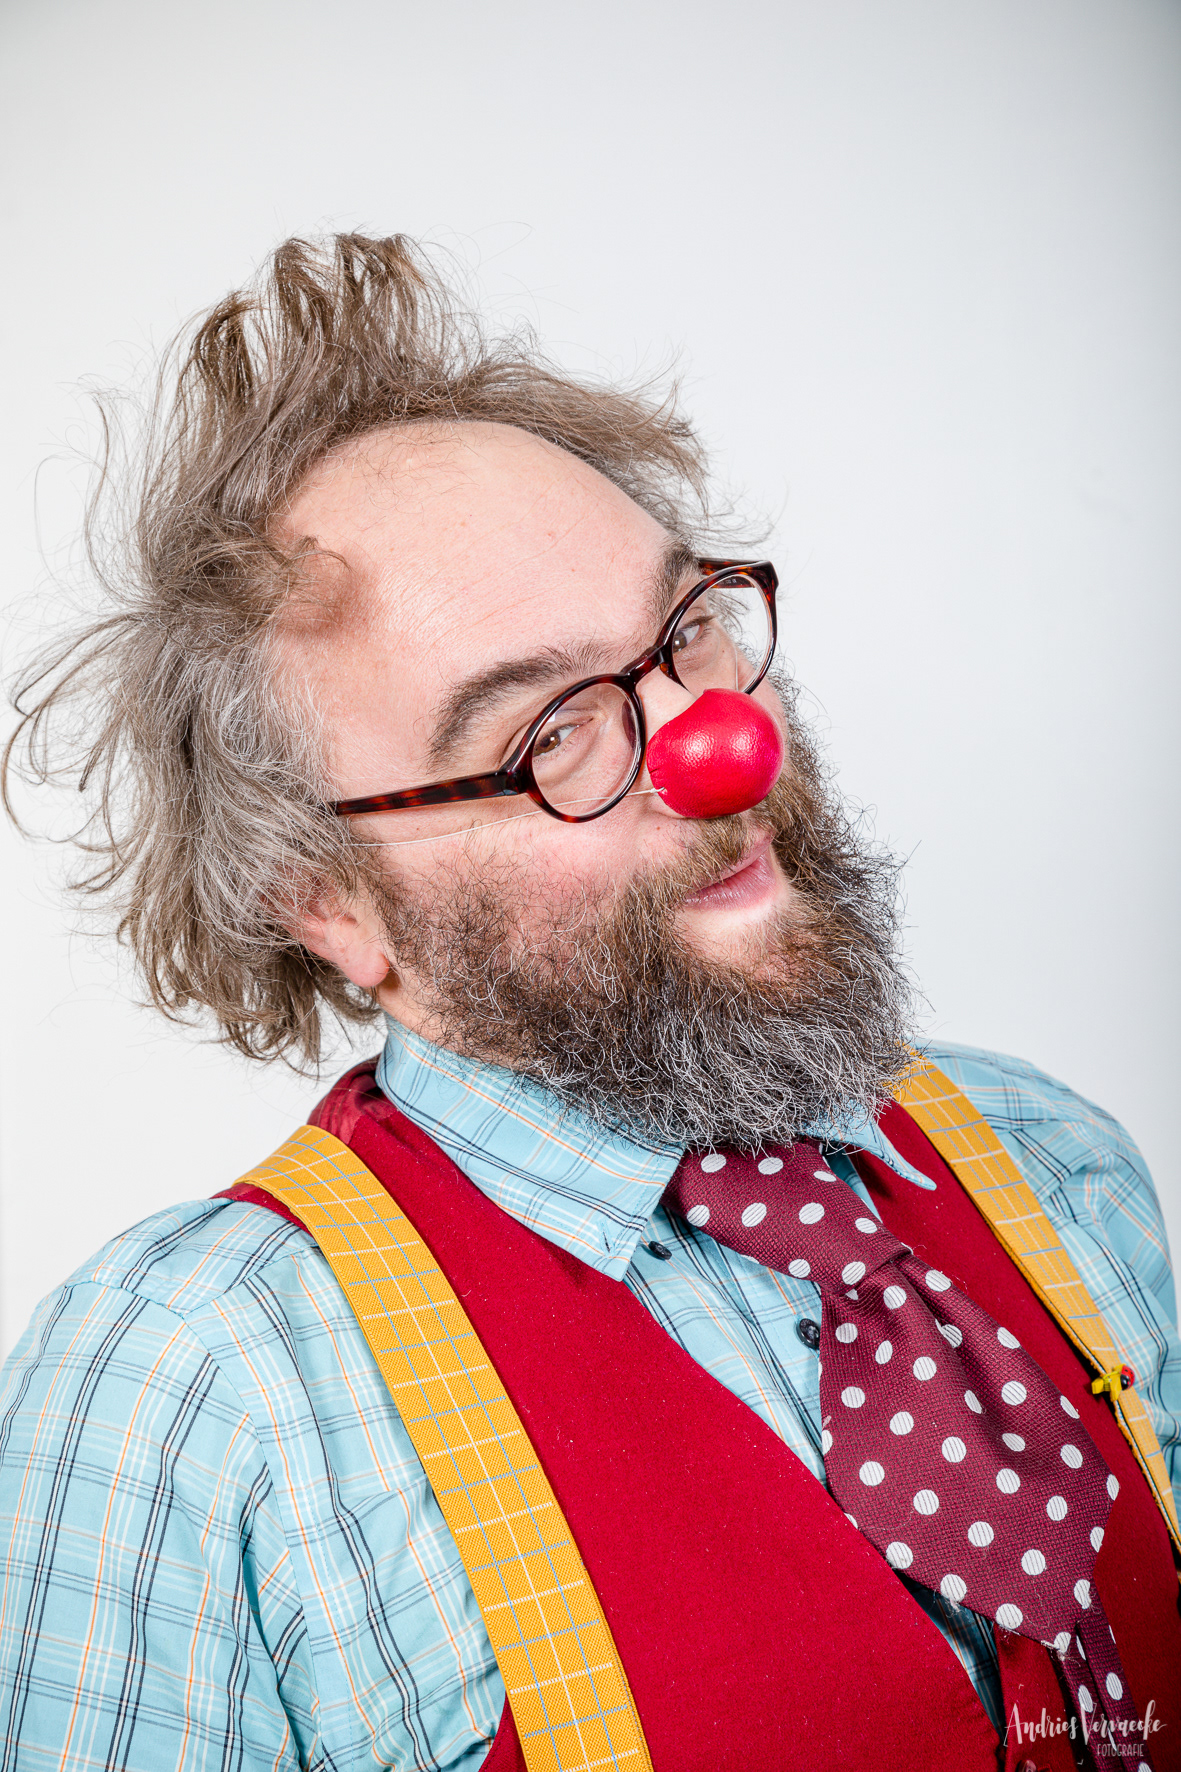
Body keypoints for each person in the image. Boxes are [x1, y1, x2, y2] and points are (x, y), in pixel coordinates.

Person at [0, 233, 1177, 1772]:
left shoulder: (1050, 1159)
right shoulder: (197, 1391)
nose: (718, 748)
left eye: (686, 632)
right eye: (552, 731)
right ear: (327, 902)